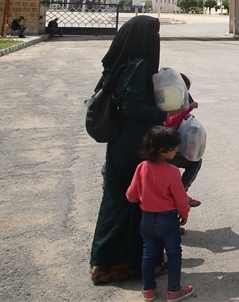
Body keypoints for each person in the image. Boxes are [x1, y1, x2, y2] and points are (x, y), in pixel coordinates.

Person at [90, 16, 168, 285]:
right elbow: (132, 105)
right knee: (133, 203)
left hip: (120, 142)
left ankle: (105, 263)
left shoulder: (120, 62)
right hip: (133, 144)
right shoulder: (140, 66)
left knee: (117, 201)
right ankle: (129, 264)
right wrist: (162, 114)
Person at [126, 126, 194, 301]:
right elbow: (181, 198)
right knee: (173, 253)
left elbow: (131, 195)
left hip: (147, 218)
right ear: (163, 150)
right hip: (168, 219)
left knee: (148, 253)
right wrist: (184, 213)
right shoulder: (172, 172)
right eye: (174, 147)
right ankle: (174, 290)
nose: (177, 150)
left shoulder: (141, 167)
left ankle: (148, 290)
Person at [163, 74, 203, 214]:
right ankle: (179, 195)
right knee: (194, 162)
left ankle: (180, 194)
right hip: (159, 150)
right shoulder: (163, 99)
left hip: (163, 146)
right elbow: (169, 123)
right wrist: (188, 108)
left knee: (194, 160)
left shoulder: (163, 93)